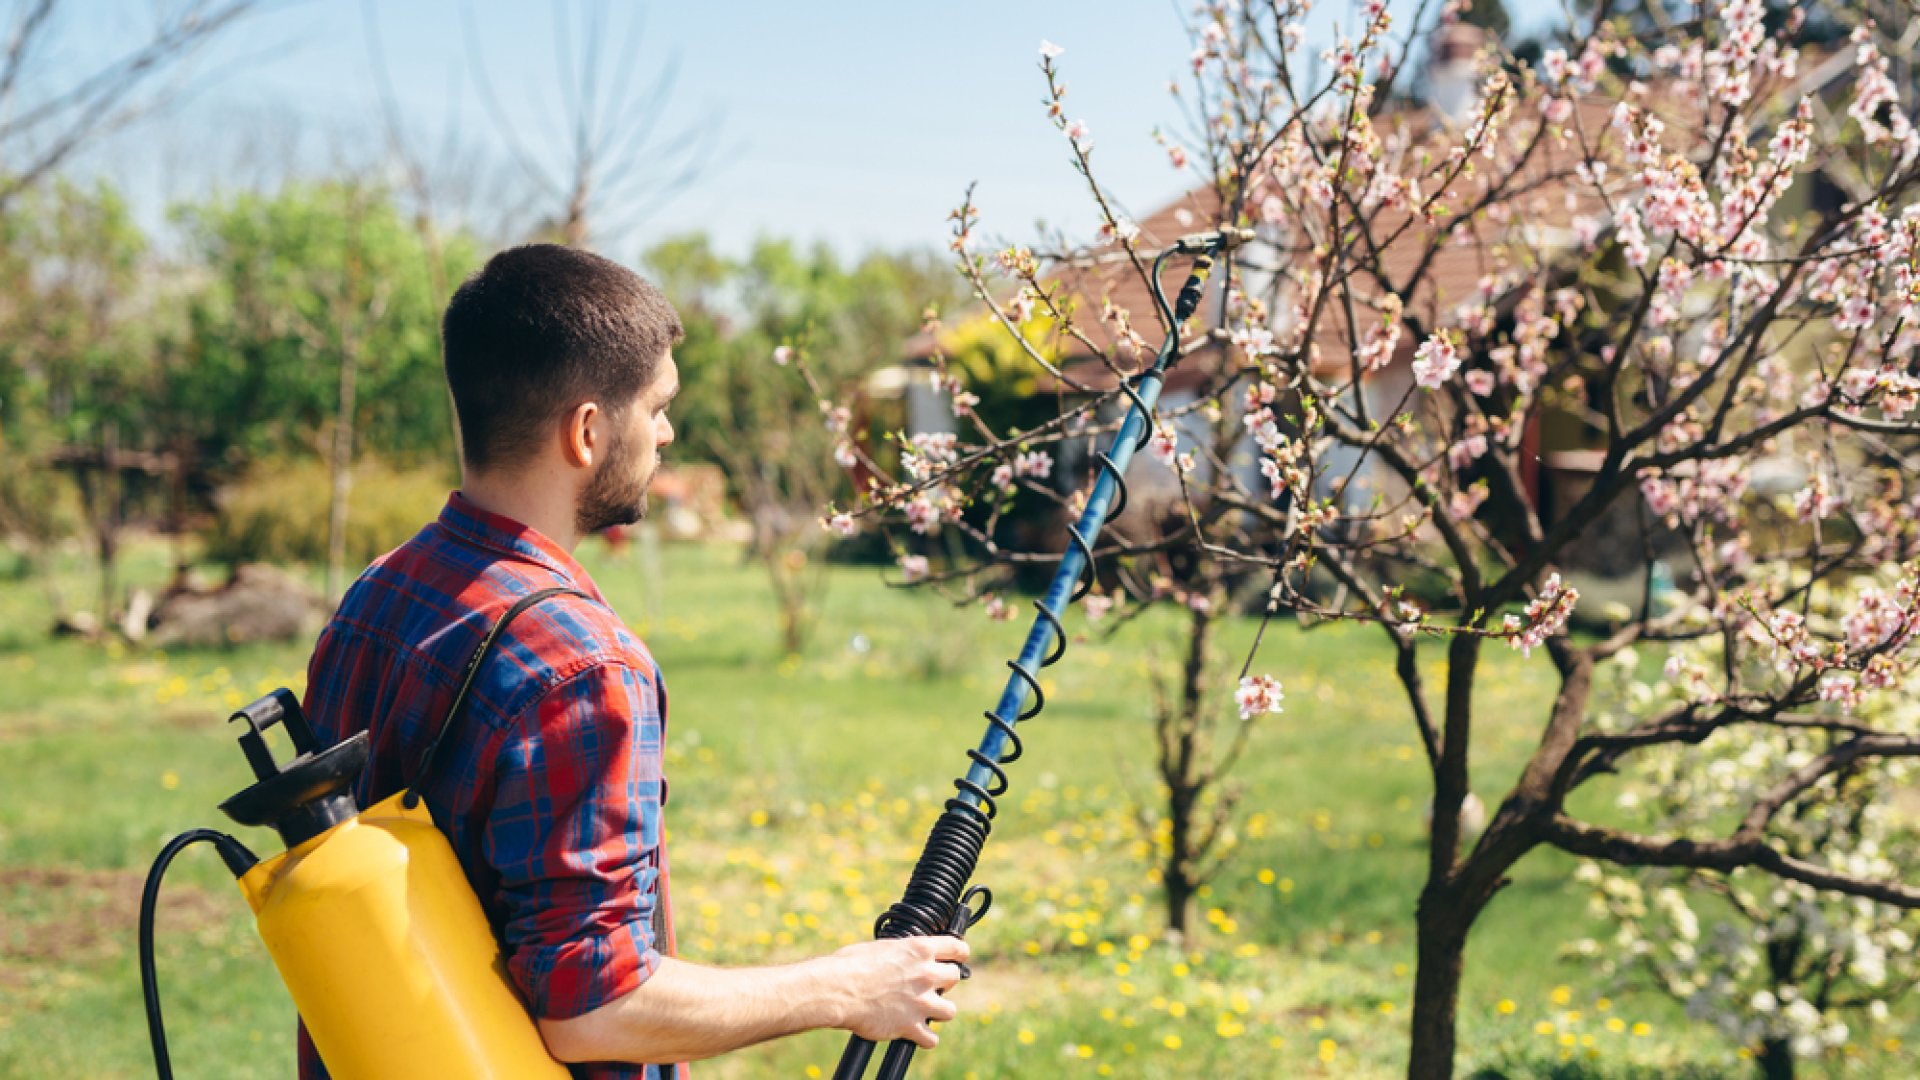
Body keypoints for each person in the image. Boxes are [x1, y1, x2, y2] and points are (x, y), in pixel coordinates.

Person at [301, 244, 966, 1079]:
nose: (667, 431)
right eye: (656, 405)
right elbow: (595, 1008)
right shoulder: (582, 665)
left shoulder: (379, 595)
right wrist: (846, 988)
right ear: (586, 432)